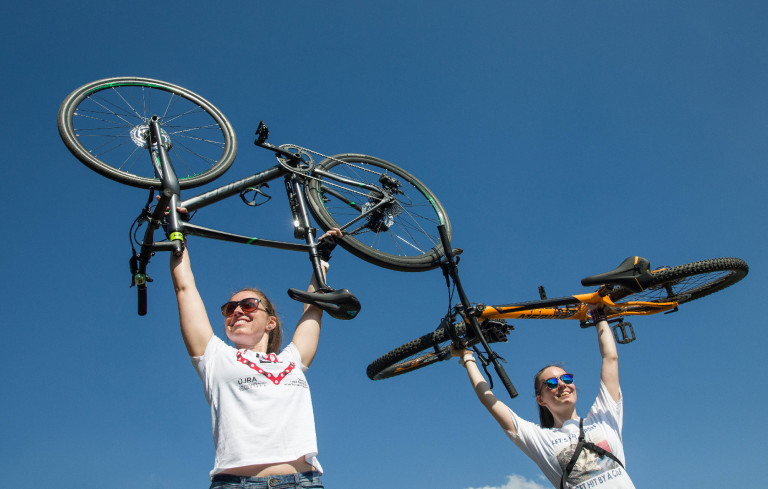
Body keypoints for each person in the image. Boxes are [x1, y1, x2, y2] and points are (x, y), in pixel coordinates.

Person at [170, 227, 342, 489]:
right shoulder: (215, 356)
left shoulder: (292, 360)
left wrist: (322, 259)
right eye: (230, 308)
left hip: (302, 482)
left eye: (248, 305)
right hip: (234, 484)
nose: (237, 311)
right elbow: (185, 288)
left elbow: (313, 309)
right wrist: (176, 235)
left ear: (270, 322)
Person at [451, 306, 635, 489]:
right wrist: (468, 358)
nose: (562, 384)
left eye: (566, 378)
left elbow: (610, 358)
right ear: (541, 399)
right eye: (552, 383)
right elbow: (489, 401)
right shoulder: (539, 439)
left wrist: (598, 315)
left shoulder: (603, 417)